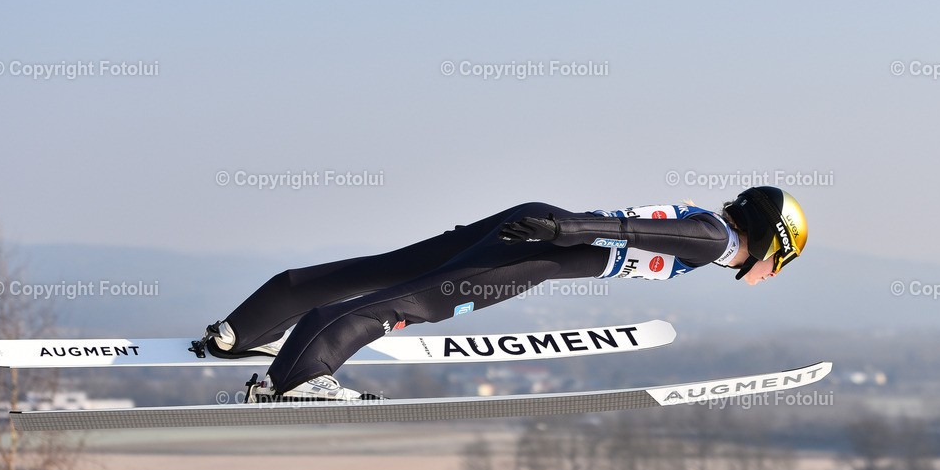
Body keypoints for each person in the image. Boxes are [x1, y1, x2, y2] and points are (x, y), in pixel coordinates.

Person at [195, 186, 808, 402]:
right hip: (536, 246)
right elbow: (637, 231)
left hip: (535, 226)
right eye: (782, 263)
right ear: (770, 244)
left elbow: (636, 230)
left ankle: (240, 332)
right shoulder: (714, 239)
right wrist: (565, 229)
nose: (773, 275)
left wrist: (558, 224)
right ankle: (296, 376)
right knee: (420, 300)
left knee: (388, 270)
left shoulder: (710, 228)